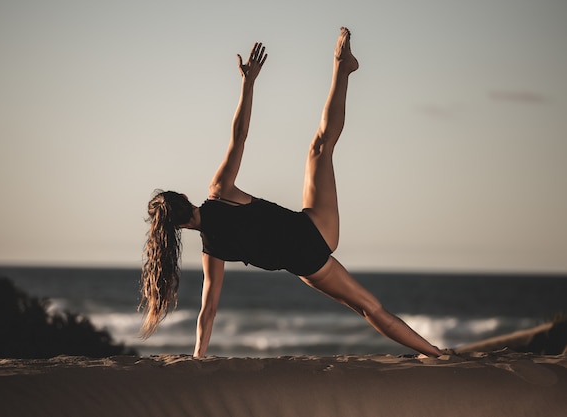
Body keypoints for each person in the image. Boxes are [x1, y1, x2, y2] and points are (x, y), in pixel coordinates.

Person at [141, 28, 443, 358]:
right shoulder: (219, 192)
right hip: (315, 230)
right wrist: (248, 83)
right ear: (184, 198)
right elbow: (239, 136)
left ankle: (436, 354)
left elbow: (207, 311)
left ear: (178, 228)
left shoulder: (212, 250)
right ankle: (342, 68)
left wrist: (199, 357)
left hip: (307, 265)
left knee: (369, 308)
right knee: (319, 148)